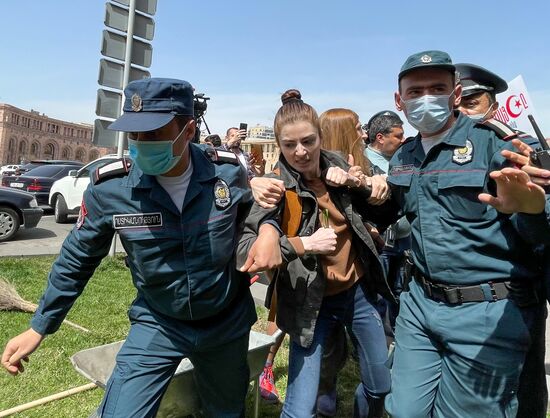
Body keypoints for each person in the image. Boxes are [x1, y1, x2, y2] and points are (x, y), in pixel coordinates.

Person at [1, 78, 263, 418]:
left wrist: (267, 231)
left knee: (225, 412)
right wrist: (40, 326)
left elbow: (255, 216)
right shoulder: (112, 188)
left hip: (225, 323)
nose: (140, 144)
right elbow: (76, 260)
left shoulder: (226, 172)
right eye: (134, 134)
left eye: (153, 133)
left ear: (188, 130)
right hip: (159, 322)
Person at [384, 50, 550, 418]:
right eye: (415, 92)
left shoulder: (498, 144)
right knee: (404, 411)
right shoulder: (404, 155)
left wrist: (531, 208)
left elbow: (541, 226)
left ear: (456, 94)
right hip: (420, 304)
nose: (426, 98)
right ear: (400, 100)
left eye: (437, 88)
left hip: (485, 310)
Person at [238, 89, 399, 418]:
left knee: (380, 385)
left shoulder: (339, 163)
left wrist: (363, 185)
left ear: (320, 137)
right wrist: (303, 244)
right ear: (279, 146)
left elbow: (371, 210)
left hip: (358, 292)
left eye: (308, 141)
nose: (300, 152)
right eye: (289, 145)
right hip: (311, 302)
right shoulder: (275, 186)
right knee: (300, 408)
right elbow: (245, 252)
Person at [456, 62, 548, 418]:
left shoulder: (520, 149)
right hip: (463, 294)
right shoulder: (444, 151)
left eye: (472, 102)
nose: (462, 111)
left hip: (516, 291)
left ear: (493, 105)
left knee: (521, 392)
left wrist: (528, 207)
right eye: (457, 102)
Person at [363, 110, 410, 336]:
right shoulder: (362, 162)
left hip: (403, 241)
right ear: (380, 137)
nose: (403, 140)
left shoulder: (402, 161)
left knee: (400, 291)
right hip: (378, 242)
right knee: (377, 294)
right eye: (398, 136)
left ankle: (396, 337)